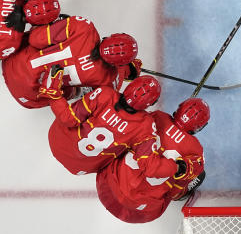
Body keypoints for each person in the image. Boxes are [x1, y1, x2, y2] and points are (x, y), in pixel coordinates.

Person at [95, 98, 209, 223]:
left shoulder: (157, 116)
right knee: (196, 173)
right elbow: (174, 192)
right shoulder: (196, 151)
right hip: (139, 212)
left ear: (178, 109)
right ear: (200, 127)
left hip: (106, 189)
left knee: (128, 143)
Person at [44, 75, 182, 176]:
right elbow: (151, 168)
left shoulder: (105, 93)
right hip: (80, 167)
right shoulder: (145, 125)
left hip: (56, 139)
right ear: (150, 104)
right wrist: (177, 168)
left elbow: (67, 119)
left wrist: (55, 96)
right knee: (128, 147)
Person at [1, 19, 140, 109]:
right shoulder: (107, 79)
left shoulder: (85, 28)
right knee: (80, 93)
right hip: (28, 97)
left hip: (11, 59)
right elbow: (111, 87)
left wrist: (55, 24)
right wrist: (125, 71)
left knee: (50, 25)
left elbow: (35, 39)